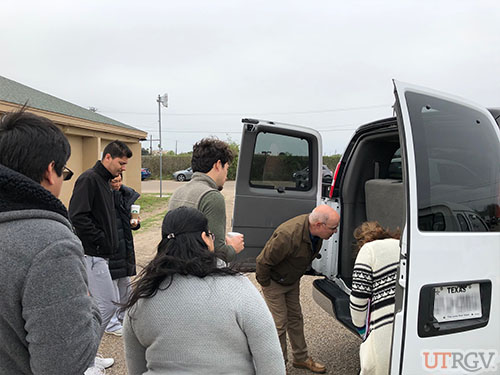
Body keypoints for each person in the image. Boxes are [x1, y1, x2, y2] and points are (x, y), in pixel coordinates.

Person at [122, 206, 286, 375]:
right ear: (205, 238)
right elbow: (270, 360)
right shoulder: (238, 288)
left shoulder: (142, 296)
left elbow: (136, 368)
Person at [0, 108, 101, 374]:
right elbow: (65, 365)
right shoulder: (51, 245)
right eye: (64, 173)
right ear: (50, 171)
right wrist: (91, 306)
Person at [69, 140, 133, 373]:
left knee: (103, 306)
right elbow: (77, 216)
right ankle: (86, 363)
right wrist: (101, 240)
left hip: (101, 256)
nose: (123, 168)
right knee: (105, 307)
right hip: (92, 255)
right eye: (121, 163)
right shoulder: (89, 179)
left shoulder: (105, 182)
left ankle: (91, 357)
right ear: (108, 157)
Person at [255, 204, 340, 374]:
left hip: (291, 280)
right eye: (333, 228)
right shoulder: (288, 235)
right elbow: (263, 262)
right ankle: (278, 366)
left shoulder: (316, 233)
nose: (335, 232)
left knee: (295, 318)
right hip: (273, 282)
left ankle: (301, 359)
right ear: (319, 225)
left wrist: (292, 277)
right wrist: (267, 285)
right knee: (279, 324)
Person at [168, 137, 244, 263]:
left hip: (176, 270)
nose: (226, 175)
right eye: (227, 169)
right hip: (198, 274)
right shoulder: (212, 197)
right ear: (218, 165)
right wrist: (233, 248)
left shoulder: (178, 192)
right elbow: (218, 253)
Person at [349, 221, 400, 375]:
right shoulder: (401, 244)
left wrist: (359, 325)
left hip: (385, 322)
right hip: (408, 315)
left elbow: (359, 296)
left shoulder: (368, 250)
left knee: (380, 366)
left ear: (361, 241)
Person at [105, 173, 141, 336]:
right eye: (114, 181)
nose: (117, 184)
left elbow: (127, 222)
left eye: (119, 180)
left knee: (125, 285)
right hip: (111, 247)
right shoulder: (103, 197)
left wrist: (134, 224)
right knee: (110, 288)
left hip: (124, 246)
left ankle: (124, 316)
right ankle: (110, 323)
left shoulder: (125, 195)